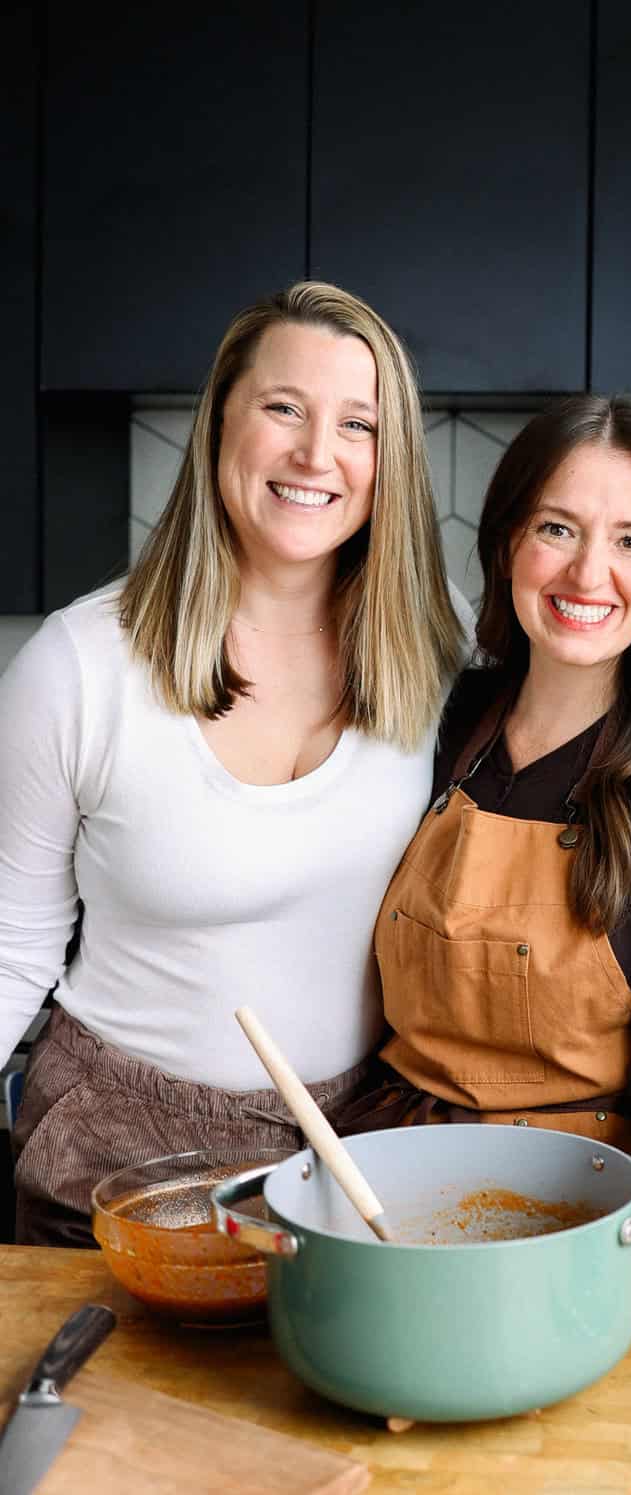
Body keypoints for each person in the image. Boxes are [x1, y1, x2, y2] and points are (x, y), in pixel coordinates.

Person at [0, 281, 467, 1246]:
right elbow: (11, 945)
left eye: (358, 425)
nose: (315, 454)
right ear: (221, 423)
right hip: (107, 1161)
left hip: (349, 1150)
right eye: (283, 408)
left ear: (392, 459)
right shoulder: (78, 666)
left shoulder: (437, 644)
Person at [341, 393, 631, 1275]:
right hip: (402, 1199)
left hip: (603, 1221)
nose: (589, 575)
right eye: (558, 529)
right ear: (506, 543)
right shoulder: (445, 723)